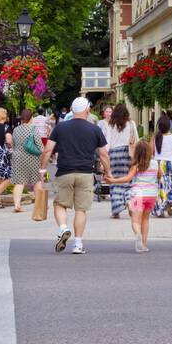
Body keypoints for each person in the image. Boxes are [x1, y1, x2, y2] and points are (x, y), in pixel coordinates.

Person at [39, 96, 110, 255]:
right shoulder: (94, 129)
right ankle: (78, 244)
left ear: (71, 110)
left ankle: (63, 228)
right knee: (81, 209)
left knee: (60, 204)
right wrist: (108, 172)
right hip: (85, 173)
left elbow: (48, 150)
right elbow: (103, 154)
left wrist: (43, 170)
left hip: (65, 172)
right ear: (88, 110)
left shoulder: (60, 128)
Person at [102, 138, 159, 252]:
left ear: (137, 152)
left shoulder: (136, 166)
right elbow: (159, 175)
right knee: (146, 220)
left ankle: (137, 234)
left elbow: (127, 179)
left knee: (135, 220)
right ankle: (143, 244)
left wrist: (112, 181)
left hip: (138, 195)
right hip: (151, 196)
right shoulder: (155, 163)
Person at [103, 104, 138, 222]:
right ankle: (128, 201)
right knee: (128, 180)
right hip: (127, 154)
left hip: (114, 155)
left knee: (114, 182)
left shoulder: (110, 124)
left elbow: (107, 142)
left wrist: (105, 159)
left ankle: (116, 211)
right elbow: (136, 140)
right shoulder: (131, 124)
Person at [9, 108, 43, 213]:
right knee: (36, 182)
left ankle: (17, 205)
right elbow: (40, 146)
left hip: (17, 158)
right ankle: (40, 204)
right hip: (31, 158)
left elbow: (13, 145)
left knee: (19, 182)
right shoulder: (33, 129)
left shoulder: (15, 129)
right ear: (31, 118)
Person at [151, 116, 172, 218]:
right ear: (169, 126)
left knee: (158, 187)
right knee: (169, 186)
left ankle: (159, 209)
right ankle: (167, 205)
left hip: (158, 165)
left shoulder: (155, 137)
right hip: (170, 164)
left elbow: (151, 152)